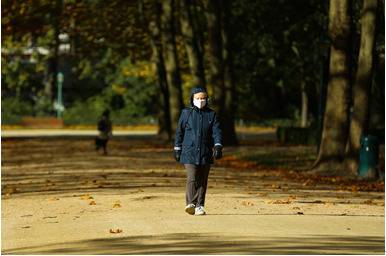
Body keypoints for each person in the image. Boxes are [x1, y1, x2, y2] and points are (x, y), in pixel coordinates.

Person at [174, 86, 223, 216]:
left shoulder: (211, 114)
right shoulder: (186, 113)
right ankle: (190, 203)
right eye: (198, 98)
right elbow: (179, 132)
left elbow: (216, 132)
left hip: (206, 151)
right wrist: (177, 148)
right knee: (192, 177)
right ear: (192, 99)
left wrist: (218, 146)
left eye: (203, 98)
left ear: (207, 99)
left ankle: (200, 206)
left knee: (203, 179)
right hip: (189, 151)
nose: (200, 100)